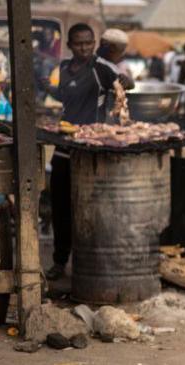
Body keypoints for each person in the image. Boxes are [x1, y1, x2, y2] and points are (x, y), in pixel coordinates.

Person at [45, 23, 130, 281]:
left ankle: (91, 263)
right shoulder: (62, 69)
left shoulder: (100, 68)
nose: (84, 48)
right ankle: (60, 261)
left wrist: (126, 82)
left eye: (88, 43)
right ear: (69, 46)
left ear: (94, 44)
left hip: (90, 147)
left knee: (91, 208)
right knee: (59, 206)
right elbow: (63, 96)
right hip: (64, 146)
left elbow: (125, 84)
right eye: (79, 43)